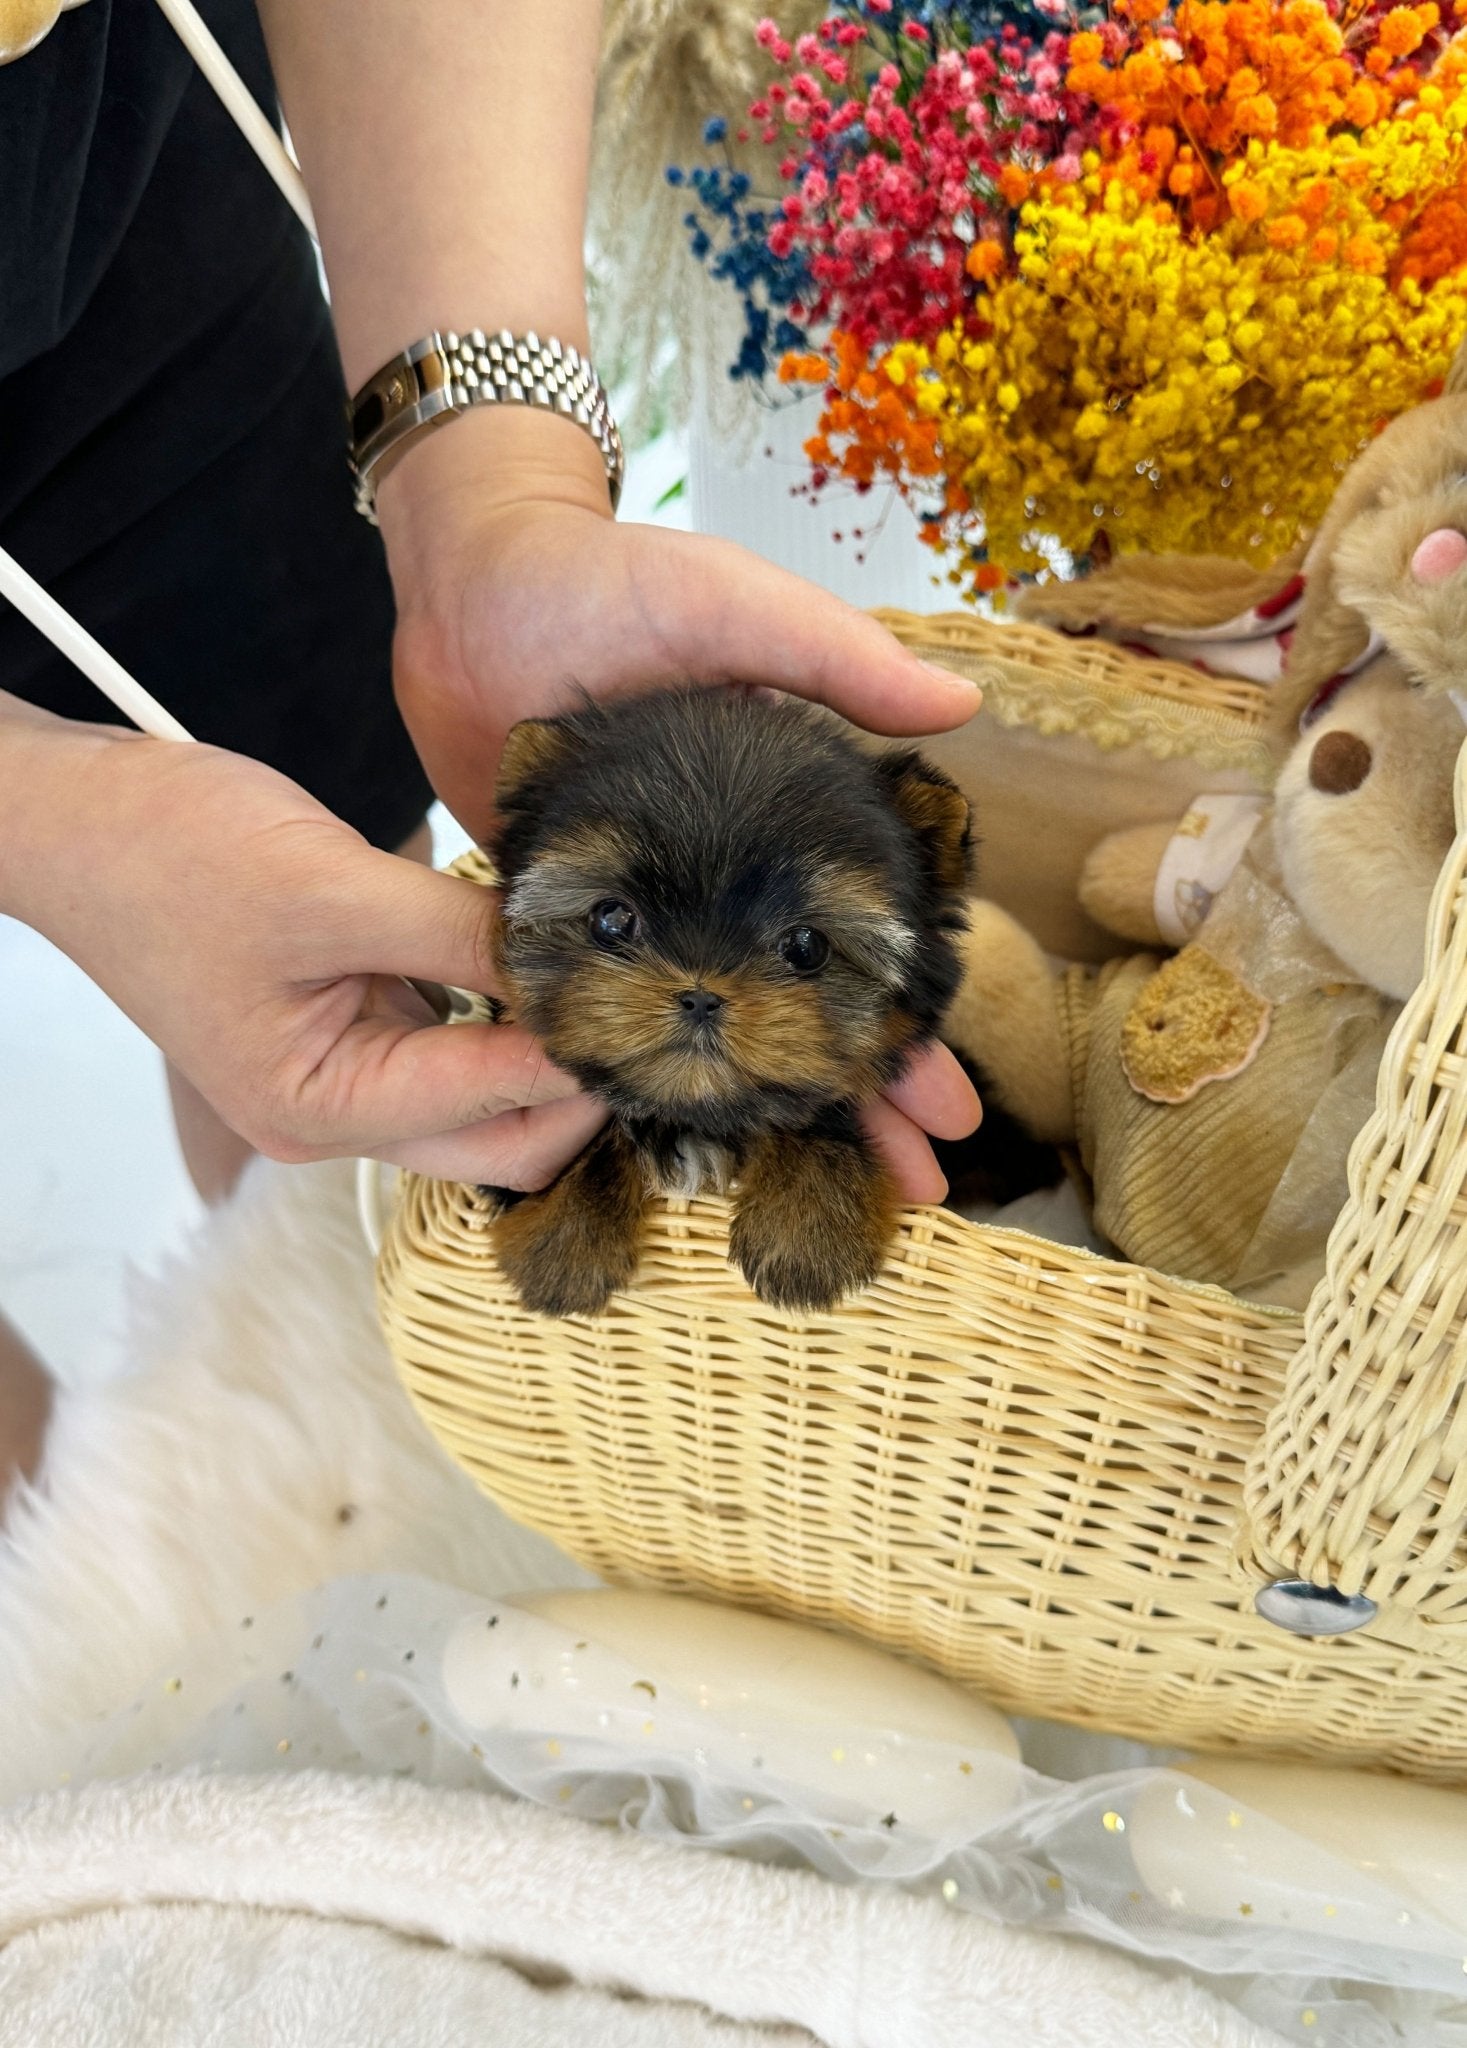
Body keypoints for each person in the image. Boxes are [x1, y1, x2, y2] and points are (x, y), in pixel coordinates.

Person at [0, 0, 983, 1498]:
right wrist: (57, 824)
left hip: (99, 132)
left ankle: (340, 1450)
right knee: (68, 1585)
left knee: (329, 871)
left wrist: (494, 500)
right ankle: (81, 1621)